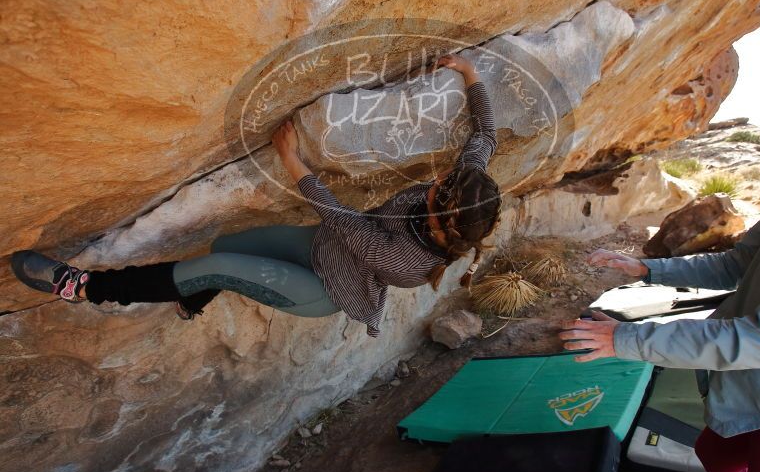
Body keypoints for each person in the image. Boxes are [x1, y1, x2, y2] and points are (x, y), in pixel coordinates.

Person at [11, 53, 502, 338]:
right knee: (225, 247)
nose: (439, 181)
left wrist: (291, 159)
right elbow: (485, 138)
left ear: (443, 215)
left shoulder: (408, 264)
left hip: (325, 289)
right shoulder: (462, 198)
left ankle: (81, 286)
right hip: (319, 247)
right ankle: (189, 300)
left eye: (440, 189)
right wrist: (470, 73)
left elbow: (341, 219)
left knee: (208, 268)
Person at [559, 94, 760, 472]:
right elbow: (736, 264)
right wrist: (648, 269)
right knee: (716, 456)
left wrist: (628, 339)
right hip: (755, 380)